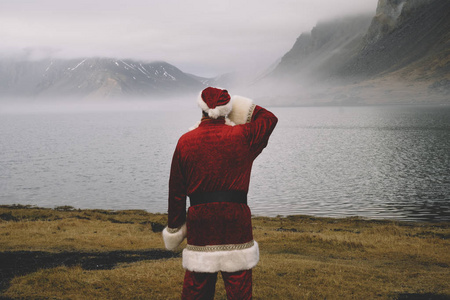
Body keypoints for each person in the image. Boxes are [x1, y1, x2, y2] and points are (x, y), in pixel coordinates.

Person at [162, 87, 278, 300]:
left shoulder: (185, 142)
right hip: (236, 222)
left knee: (197, 290)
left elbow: (176, 191)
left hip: (201, 224)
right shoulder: (243, 136)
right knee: (239, 290)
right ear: (227, 109)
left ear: (202, 108)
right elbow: (269, 118)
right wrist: (237, 106)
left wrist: (175, 227)